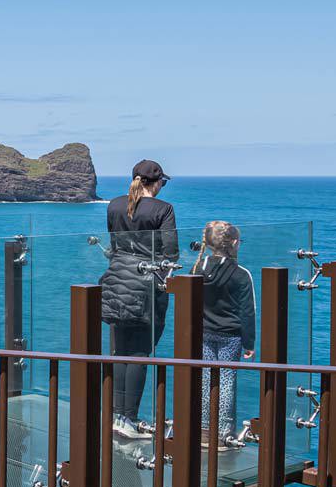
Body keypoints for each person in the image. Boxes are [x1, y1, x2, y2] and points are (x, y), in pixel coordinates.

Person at [98, 159, 179, 440]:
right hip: (148, 285)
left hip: (117, 280)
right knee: (141, 353)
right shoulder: (163, 209)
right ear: (155, 183)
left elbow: (114, 243)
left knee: (120, 351)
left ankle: (116, 416)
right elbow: (171, 252)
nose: (162, 187)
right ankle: (129, 419)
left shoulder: (115, 205)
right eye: (163, 182)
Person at [194, 220, 256, 447]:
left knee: (207, 379)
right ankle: (222, 433)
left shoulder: (198, 268)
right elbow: (247, 311)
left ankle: (203, 431)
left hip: (204, 332)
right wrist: (249, 342)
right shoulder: (241, 274)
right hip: (230, 335)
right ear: (235, 243)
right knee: (226, 381)